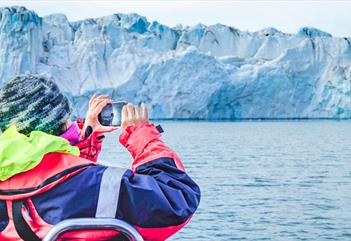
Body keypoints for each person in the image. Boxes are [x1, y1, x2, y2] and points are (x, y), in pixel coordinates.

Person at [0, 75, 201, 241]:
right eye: (67, 119)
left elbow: (52, 178)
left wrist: (86, 138)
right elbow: (177, 200)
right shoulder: (96, 184)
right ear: (58, 124)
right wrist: (142, 135)